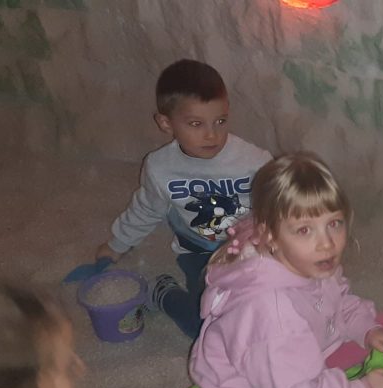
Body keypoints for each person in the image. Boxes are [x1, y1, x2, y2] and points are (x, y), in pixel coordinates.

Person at [189, 153, 383, 388]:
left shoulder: (308, 259)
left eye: (334, 223)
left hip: (293, 362)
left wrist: (366, 329)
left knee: (381, 327)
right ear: (271, 236)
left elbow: (337, 303)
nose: (326, 242)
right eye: (304, 230)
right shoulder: (272, 315)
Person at [93, 59, 273, 339]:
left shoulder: (255, 161)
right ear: (166, 123)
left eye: (220, 121)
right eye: (196, 124)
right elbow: (147, 209)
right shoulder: (160, 167)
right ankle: (164, 293)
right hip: (200, 253)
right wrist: (117, 244)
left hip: (253, 249)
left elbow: (281, 208)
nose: (212, 134)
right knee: (209, 326)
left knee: (276, 311)